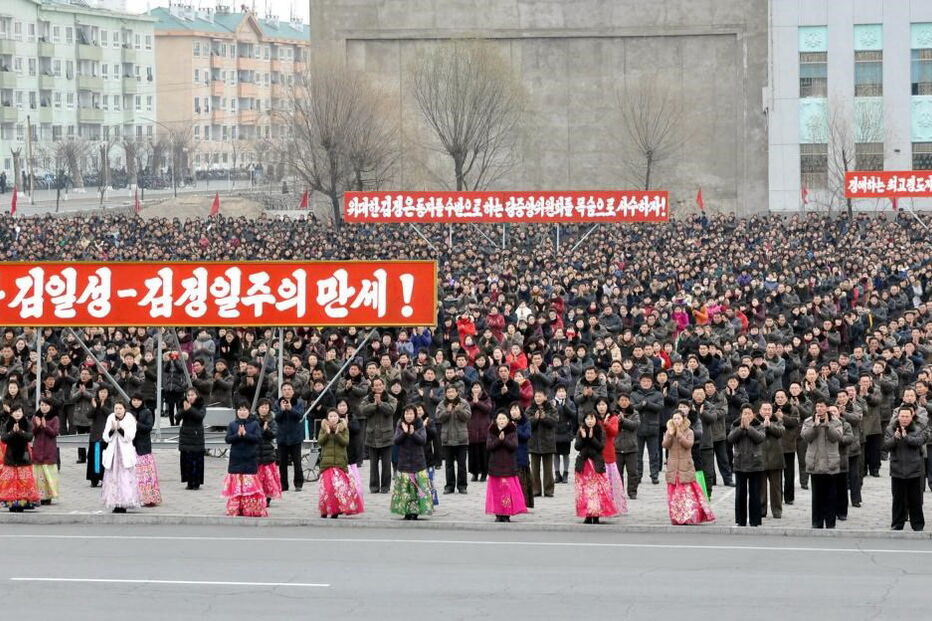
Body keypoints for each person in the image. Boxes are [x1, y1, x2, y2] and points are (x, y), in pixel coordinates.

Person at [663, 409, 715, 525]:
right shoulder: (668, 431)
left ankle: (689, 517)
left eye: (679, 418)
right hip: (673, 467)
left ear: (683, 419)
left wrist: (680, 435)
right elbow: (665, 445)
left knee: (686, 494)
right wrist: (670, 435)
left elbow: (688, 445)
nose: (676, 421)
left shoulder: (689, 431)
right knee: (674, 495)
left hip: (685, 465)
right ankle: (677, 517)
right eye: (674, 418)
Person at [801, 399, 843, 529]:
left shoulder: (836, 421)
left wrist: (827, 425)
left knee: (831, 496)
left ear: (827, 408)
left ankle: (830, 523)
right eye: (817, 406)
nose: (819, 409)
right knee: (817, 496)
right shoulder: (809, 421)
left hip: (831, 462)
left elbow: (837, 437)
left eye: (822, 406)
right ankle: (817, 522)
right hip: (815, 462)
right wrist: (815, 426)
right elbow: (805, 437)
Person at [883, 407, 925, 531]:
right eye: (902, 416)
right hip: (897, 470)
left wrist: (906, 437)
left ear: (911, 417)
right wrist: (895, 438)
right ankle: (897, 524)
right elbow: (886, 446)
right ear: (898, 417)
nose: (904, 419)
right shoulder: (890, 429)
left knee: (915, 500)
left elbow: (919, 442)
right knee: (898, 500)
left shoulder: (917, 429)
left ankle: (917, 525)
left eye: (907, 416)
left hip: (914, 470)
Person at [222, 402, 267, 518]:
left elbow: (258, 438)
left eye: (244, 410)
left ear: (249, 412)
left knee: (249, 486)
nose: (242, 412)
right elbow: (228, 439)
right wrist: (237, 435)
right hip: (236, 459)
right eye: (240, 410)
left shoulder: (255, 424)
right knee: (236, 486)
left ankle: (250, 509)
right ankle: (235, 508)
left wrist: (246, 434)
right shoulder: (232, 424)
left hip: (250, 459)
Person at [318, 409, 363, 519]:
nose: (333, 418)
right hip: (326, 464)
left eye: (335, 416)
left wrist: (337, 433)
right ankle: (325, 510)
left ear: (338, 417)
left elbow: (345, 442)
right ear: (327, 418)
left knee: (338, 489)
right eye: (331, 416)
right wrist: (327, 433)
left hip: (339, 463)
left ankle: (336, 510)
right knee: (327, 489)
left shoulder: (344, 428)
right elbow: (320, 441)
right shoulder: (324, 428)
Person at [390, 405, 433, 520]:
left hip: (418, 463)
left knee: (416, 489)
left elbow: (422, 441)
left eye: (411, 413)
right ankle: (406, 511)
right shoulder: (400, 424)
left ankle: (415, 512)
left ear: (415, 414)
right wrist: (404, 433)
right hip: (404, 463)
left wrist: (413, 433)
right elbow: (396, 441)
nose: (408, 416)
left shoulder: (419, 425)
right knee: (405, 489)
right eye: (406, 414)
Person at [574, 411, 617, 524]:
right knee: (585, 491)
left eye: (592, 418)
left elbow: (600, 447)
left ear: (596, 420)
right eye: (587, 419)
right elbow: (577, 447)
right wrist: (583, 438)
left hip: (596, 464)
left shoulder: (600, 430)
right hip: (583, 463)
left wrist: (591, 437)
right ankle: (588, 514)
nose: (589, 421)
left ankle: (596, 514)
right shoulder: (581, 430)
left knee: (596, 490)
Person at [485, 410, 528, 522]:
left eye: (504, 418)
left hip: (509, 466)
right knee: (496, 491)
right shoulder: (492, 430)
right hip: (495, 466)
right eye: (500, 419)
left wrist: (503, 440)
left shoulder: (512, 430)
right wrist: (499, 440)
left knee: (507, 491)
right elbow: (489, 446)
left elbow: (514, 446)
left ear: (508, 420)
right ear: (496, 420)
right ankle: (498, 513)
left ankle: (506, 514)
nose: (502, 421)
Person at [728, 404, 765, 527]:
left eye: (749, 413)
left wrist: (749, 428)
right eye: (745, 413)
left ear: (753, 414)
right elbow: (730, 439)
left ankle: (755, 520)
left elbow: (760, 438)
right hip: (740, 463)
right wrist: (741, 428)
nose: (747, 416)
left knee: (755, 494)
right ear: (741, 415)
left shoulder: (759, 425)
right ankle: (741, 520)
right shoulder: (735, 424)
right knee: (740, 494)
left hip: (755, 464)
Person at [100, 402, 140, 514]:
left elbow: (131, 436)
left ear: (124, 409)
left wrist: (120, 429)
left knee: (124, 478)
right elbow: (105, 437)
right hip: (113, 453)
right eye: (116, 408)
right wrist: (112, 430)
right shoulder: (110, 417)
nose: (118, 410)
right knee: (113, 478)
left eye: (120, 408)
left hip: (124, 453)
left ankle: (124, 503)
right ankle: (114, 502)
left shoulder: (129, 418)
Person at [360, 378, 397, 494]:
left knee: (386, 464)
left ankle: (385, 487)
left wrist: (381, 403)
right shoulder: (367, 399)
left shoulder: (391, 398)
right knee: (373, 465)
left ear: (383, 386)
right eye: (375, 385)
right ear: (372, 388)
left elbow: (391, 410)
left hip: (386, 436)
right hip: (372, 436)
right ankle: (374, 486)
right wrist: (374, 404)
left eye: (380, 385)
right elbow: (363, 410)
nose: (378, 387)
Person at [0, 406, 40, 512]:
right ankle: (11, 503)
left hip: (24, 457)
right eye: (15, 411)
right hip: (10, 457)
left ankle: (24, 503)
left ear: (23, 412)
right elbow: (3, 439)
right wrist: (12, 432)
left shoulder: (27, 423)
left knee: (24, 481)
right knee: (10, 481)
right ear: (11, 413)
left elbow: (30, 437)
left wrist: (20, 431)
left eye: (19, 411)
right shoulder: (7, 424)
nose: (17, 413)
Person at [437, 384, 470, 494]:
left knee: (461, 464)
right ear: (445, 393)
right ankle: (449, 486)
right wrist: (447, 411)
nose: (450, 394)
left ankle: (462, 486)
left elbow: (468, 417)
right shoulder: (442, 404)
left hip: (461, 438)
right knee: (448, 465)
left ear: (457, 392)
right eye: (448, 392)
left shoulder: (464, 403)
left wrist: (459, 410)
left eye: (452, 391)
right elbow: (439, 418)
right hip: (447, 438)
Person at [130, 393, 160, 507]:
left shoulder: (147, 412)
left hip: (144, 447)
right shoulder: (128, 413)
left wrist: (136, 423)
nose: (136, 402)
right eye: (134, 400)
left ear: (142, 401)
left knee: (146, 474)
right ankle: (134, 497)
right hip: (131, 447)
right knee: (133, 474)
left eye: (138, 400)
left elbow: (149, 428)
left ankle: (149, 497)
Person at [598, 398, 628, 515]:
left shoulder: (613, 418)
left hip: (609, 454)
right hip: (596, 455)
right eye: (599, 404)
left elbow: (614, 432)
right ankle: (599, 506)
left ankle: (611, 507)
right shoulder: (592, 419)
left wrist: (605, 424)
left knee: (610, 483)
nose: (601, 407)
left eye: (603, 404)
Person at [274, 383, 306, 493]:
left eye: (289, 389)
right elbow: (276, 418)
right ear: (281, 392)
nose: (287, 391)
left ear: (293, 391)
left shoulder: (299, 402)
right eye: (284, 389)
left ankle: (298, 483)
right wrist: (282, 410)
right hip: (282, 437)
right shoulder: (277, 403)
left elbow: (300, 416)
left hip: (295, 436)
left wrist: (291, 409)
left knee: (297, 462)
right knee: (282, 463)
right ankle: (283, 485)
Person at [526, 388, 557, 498]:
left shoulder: (551, 408)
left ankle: (549, 490)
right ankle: (536, 490)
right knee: (535, 469)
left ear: (545, 397)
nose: (538, 398)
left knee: (548, 469)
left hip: (548, 442)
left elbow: (554, 422)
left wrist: (545, 418)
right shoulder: (530, 409)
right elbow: (527, 423)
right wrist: (535, 419)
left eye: (540, 396)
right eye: (536, 396)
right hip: (534, 442)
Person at [758, 402, 785, 520]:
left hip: (776, 459)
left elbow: (781, 432)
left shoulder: (777, 420)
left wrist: (770, 426)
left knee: (776, 489)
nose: (767, 412)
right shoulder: (756, 422)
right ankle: (761, 510)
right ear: (760, 411)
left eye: (769, 409)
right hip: (760, 459)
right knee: (761, 488)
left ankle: (777, 510)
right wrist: (763, 426)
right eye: (765, 409)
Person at [31, 397, 60, 505]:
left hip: (49, 450)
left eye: (46, 405)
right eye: (42, 405)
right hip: (38, 449)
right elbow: (32, 433)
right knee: (38, 476)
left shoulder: (55, 418)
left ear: (50, 406)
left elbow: (55, 433)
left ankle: (48, 496)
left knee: (49, 475)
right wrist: (38, 426)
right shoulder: (35, 417)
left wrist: (45, 426)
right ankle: (38, 496)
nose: (44, 407)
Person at [613, 392, 641, 500]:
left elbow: (635, 425)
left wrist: (623, 420)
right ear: (618, 402)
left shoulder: (635, 413)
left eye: (626, 400)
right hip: (617, 447)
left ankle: (632, 491)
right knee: (618, 473)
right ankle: (619, 491)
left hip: (631, 447)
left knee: (633, 472)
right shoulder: (613, 413)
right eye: (621, 400)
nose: (623, 402)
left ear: (629, 401)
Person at [178, 387, 206, 490]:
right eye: (188, 395)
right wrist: (184, 410)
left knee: (197, 461)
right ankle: (189, 482)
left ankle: (196, 482)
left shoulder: (201, 405)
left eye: (192, 395)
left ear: (197, 396)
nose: (190, 397)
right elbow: (177, 417)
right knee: (186, 461)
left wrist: (190, 409)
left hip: (196, 436)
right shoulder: (183, 404)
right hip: (185, 436)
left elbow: (199, 417)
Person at [256, 399, 282, 506]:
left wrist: (266, 430)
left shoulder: (272, 421)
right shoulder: (253, 420)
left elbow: (274, 434)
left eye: (266, 407)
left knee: (268, 478)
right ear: (258, 408)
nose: (264, 409)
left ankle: (267, 498)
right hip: (256, 452)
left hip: (268, 453)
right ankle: (257, 496)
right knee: (257, 477)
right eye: (262, 407)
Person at [86, 385, 112, 488]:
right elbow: (89, 415)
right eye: (101, 392)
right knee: (96, 457)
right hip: (96, 434)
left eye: (105, 392)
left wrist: (102, 407)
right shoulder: (94, 402)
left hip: (107, 434)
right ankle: (94, 478)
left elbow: (111, 414)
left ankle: (105, 477)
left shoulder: (110, 403)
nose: (103, 394)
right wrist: (95, 407)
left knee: (106, 457)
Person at [508, 402, 534, 509]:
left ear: (520, 411)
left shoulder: (525, 422)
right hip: (509, 456)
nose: (514, 412)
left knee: (522, 481)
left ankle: (523, 503)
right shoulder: (506, 422)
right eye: (512, 409)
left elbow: (526, 436)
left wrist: (516, 429)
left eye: (516, 409)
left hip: (521, 455)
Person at [466, 382, 492, 482]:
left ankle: (484, 473)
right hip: (471, 428)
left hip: (484, 428)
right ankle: (475, 473)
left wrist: (478, 402)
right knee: (473, 453)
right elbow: (466, 409)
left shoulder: (486, 398)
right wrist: (474, 402)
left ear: (481, 388)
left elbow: (488, 409)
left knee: (484, 453)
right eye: (474, 387)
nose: (476, 389)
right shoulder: (467, 398)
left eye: (478, 387)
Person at [553, 385, 577, 484]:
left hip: (566, 431)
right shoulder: (552, 403)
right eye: (559, 391)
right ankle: (557, 474)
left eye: (563, 391)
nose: (561, 393)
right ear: (555, 393)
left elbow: (573, 414)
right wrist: (554, 406)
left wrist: (564, 405)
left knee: (566, 454)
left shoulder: (570, 403)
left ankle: (566, 473)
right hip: (555, 432)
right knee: (556, 454)